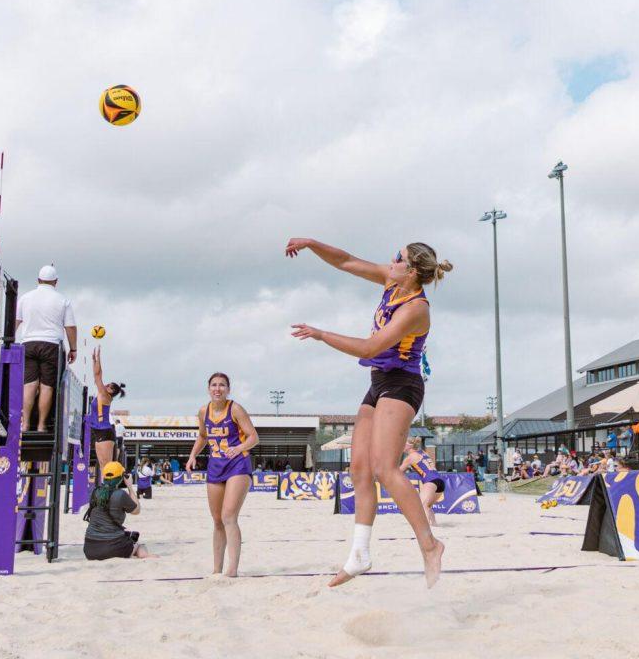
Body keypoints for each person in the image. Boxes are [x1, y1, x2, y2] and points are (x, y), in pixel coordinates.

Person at [286, 237, 450, 588]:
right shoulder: (393, 280)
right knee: (359, 466)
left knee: (385, 469)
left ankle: (431, 545)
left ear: (412, 271)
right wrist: (311, 243)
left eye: (399, 258)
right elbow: (346, 260)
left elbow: (371, 346)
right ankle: (360, 554)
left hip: (402, 384)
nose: (391, 260)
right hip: (378, 382)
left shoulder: (417, 308)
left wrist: (320, 334)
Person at [185, 372, 259, 578]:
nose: (218, 389)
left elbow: (254, 437)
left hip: (238, 464)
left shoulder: (235, 409)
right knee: (217, 520)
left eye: (222, 385)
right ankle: (216, 569)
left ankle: (232, 569)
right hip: (215, 465)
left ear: (228, 389)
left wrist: (239, 448)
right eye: (214, 385)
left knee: (228, 516)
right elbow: (202, 436)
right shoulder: (203, 412)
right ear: (208, 388)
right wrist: (192, 456)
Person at [14, 264, 78, 432]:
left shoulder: (26, 298)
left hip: (28, 344)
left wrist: (7, 342)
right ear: (55, 282)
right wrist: (73, 349)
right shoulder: (63, 300)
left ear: (38, 280)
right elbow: (70, 327)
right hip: (51, 345)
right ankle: (42, 425)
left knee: (29, 385)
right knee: (47, 386)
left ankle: (25, 423)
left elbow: (15, 322)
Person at [83, 461, 154, 560]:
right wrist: (130, 487)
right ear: (121, 477)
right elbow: (136, 510)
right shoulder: (120, 494)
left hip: (90, 549)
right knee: (138, 544)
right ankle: (145, 556)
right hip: (112, 547)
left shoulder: (95, 492)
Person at [89, 346, 127, 481]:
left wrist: (98, 358)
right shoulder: (102, 394)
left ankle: (111, 495)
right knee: (103, 467)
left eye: (109, 386)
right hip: (100, 431)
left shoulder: (105, 395)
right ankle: (106, 496)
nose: (105, 385)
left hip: (104, 431)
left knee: (107, 468)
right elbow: (96, 376)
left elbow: (98, 375)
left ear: (111, 391)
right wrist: (94, 361)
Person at [401, 437, 444, 527]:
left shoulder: (410, 457)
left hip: (430, 481)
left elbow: (399, 472)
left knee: (423, 506)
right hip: (439, 481)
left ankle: (427, 527)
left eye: (403, 444)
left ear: (409, 446)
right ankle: (434, 525)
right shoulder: (423, 452)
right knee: (427, 506)